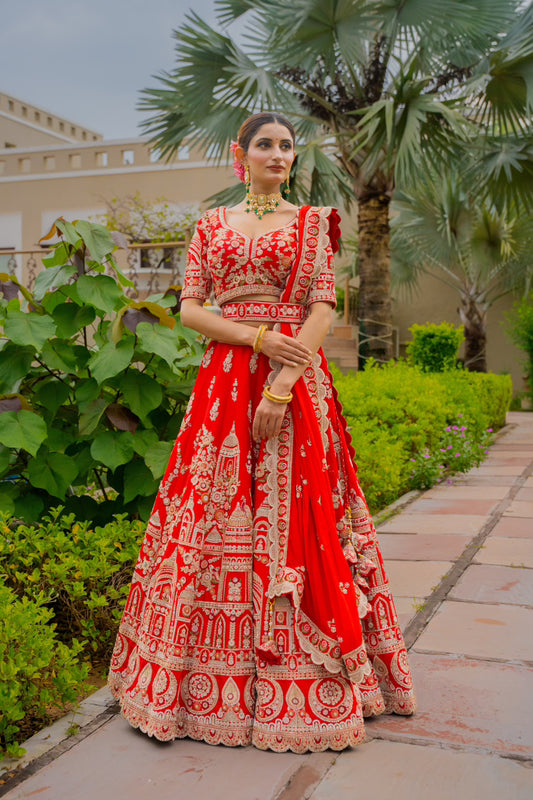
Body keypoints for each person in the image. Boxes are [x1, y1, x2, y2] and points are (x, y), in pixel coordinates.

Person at [108, 112, 416, 753]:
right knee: (213, 515)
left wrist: (280, 383)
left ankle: (305, 688)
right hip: (224, 385)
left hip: (295, 382)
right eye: (267, 145)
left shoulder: (311, 226)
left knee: (301, 517)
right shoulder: (211, 226)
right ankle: (192, 687)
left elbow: (324, 305)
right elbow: (192, 308)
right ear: (239, 155)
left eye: (288, 147)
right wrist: (254, 337)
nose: (279, 155)